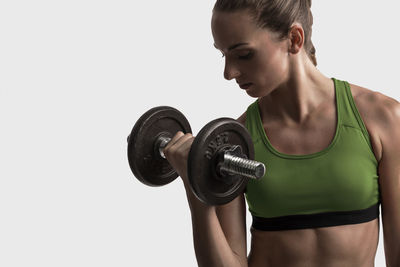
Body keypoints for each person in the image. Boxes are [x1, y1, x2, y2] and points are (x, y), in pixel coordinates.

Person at [163, 0, 400, 266]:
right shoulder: (233, 143)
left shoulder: (383, 120)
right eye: (223, 55)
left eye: (243, 54)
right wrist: (197, 189)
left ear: (294, 39)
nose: (229, 73)